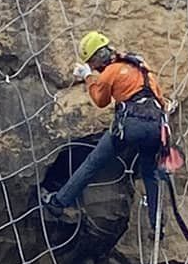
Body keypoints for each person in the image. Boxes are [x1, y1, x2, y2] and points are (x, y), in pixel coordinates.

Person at [43, 32, 169, 232]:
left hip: (130, 127)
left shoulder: (111, 71)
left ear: (95, 59)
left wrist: (88, 77)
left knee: (94, 162)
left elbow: (100, 100)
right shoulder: (142, 68)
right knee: (150, 173)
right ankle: (157, 224)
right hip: (155, 126)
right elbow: (160, 99)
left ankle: (59, 202)